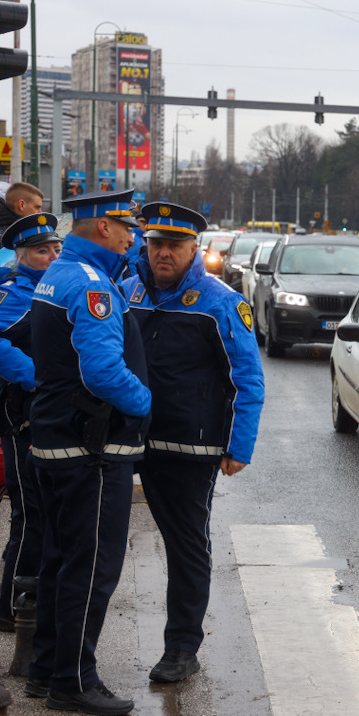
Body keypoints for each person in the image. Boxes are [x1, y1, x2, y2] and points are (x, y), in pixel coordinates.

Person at [121, 203, 264, 685]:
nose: (163, 253)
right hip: (126, 439)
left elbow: (248, 377)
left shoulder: (221, 302)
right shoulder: (129, 290)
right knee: (98, 542)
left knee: (185, 546)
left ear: (193, 250)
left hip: (189, 447)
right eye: (156, 244)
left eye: (174, 246)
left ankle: (182, 648)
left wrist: (239, 445)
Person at [27, 189, 151, 716]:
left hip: (57, 440)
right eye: (128, 229)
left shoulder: (59, 274)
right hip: (90, 448)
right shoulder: (93, 284)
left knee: (60, 560)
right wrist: (146, 402)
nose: (134, 238)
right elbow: (101, 371)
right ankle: (74, 680)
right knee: (93, 566)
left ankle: (45, 669)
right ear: (104, 227)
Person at [0, 213, 62, 632]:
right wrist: (36, 375)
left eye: (56, 247)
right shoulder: (10, 293)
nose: (53, 254)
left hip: (47, 415)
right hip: (20, 415)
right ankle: (10, 609)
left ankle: (34, 598)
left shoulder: (55, 287)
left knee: (45, 512)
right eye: (43, 250)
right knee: (29, 513)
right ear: (23, 257)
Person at [0, 182, 44, 275]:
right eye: (37, 207)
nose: (40, 212)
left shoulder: (7, 232)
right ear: (22, 205)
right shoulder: (4, 239)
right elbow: (12, 276)